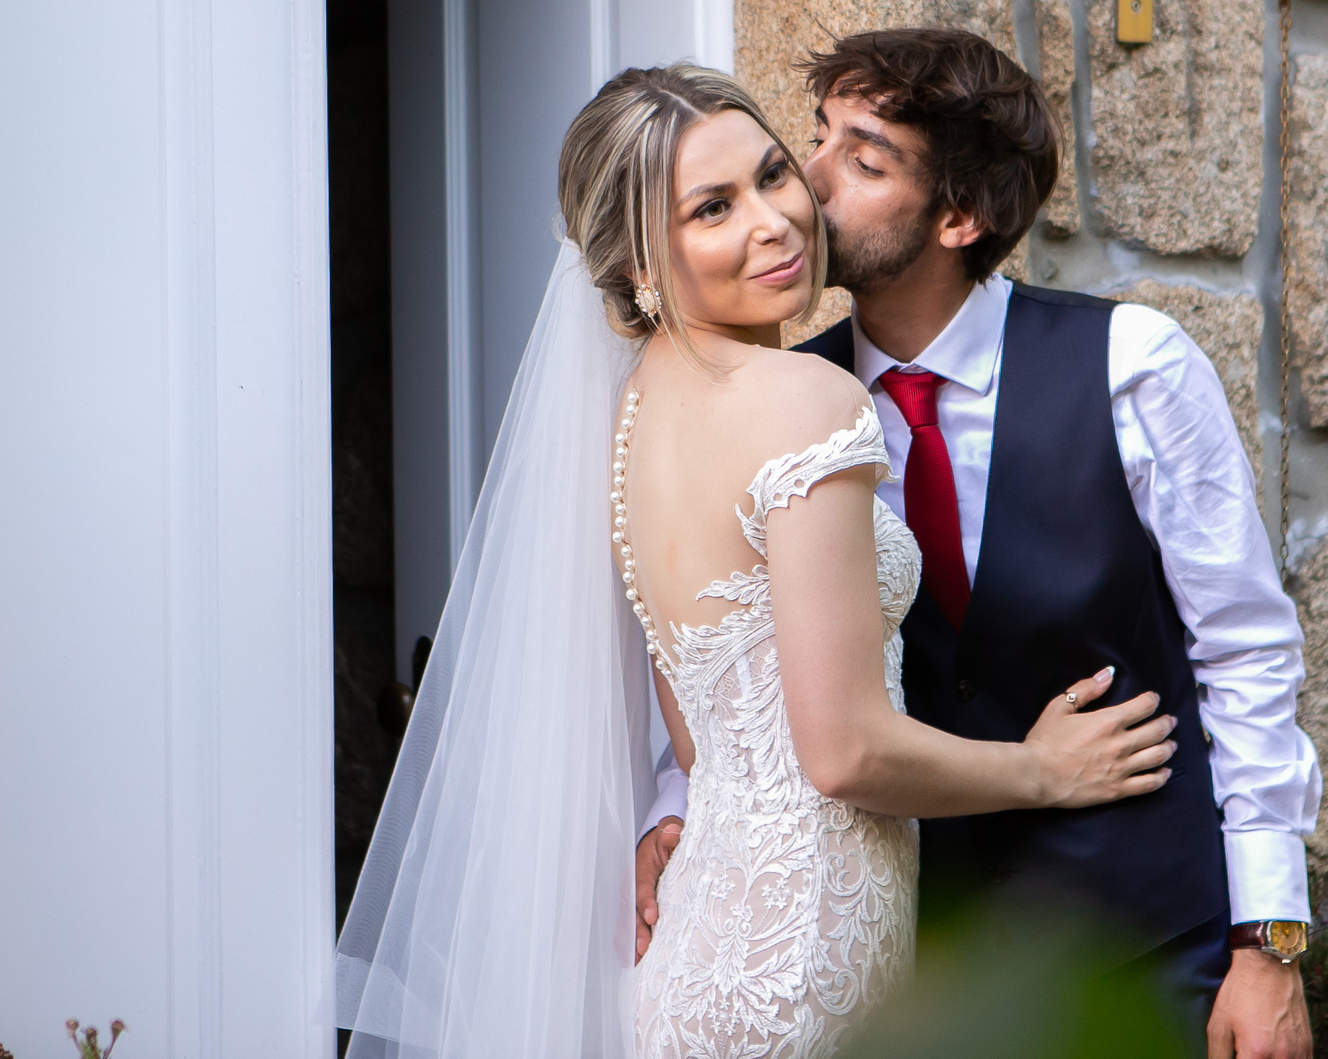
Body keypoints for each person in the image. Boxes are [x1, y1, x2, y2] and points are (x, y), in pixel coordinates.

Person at [338, 62, 1177, 1058]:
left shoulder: (629, 424)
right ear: (646, 263)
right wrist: (1039, 771)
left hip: (708, 946)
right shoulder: (803, 399)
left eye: (774, 175)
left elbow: (705, 744)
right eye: (712, 208)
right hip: (803, 961)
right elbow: (844, 752)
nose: (775, 221)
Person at [635, 29, 1322, 1059]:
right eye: (812, 140)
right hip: (919, 983)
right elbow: (721, 638)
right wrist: (674, 804)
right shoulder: (780, 406)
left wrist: (1266, 943)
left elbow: (1245, 649)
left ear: (958, 217)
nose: (804, 189)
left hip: (1143, 957)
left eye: (860, 162)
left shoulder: (1132, 365)